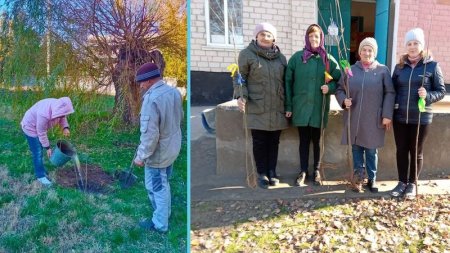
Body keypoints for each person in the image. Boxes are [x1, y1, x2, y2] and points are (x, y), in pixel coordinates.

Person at [390, 28, 445, 199]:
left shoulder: (433, 66)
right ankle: (402, 182)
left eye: (415, 43)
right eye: (409, 43)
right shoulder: (399, 67)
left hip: (421, 118)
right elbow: (392, 90)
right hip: (400, 117)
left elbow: (441, 91)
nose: (412, 47)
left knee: (416, 151)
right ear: (406, 46)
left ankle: (412, 184)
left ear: (421, 45)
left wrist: (427, 95)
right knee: (401, 150)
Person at [335, 37, 395, 193]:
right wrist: (343, 101)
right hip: (354, 117)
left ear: (374, 53)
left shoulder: (382, 70)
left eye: (370, 50)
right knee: (356, 149)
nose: (367, 53)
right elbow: (340, 89)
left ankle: (372, 178)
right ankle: (359, 177)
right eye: (364, 50)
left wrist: (387, 114)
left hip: (373, 118)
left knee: (371, 150)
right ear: (359, 52)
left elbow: (390, 92)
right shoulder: (350, 70)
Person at [285, 24, 341, 186]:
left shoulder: (328, 60)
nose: (314, 39)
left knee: (316, 140)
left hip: (319, 107)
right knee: (303, 140)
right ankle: (303, 171)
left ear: (321, 38)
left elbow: (340, 80)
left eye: (316, 36)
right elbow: (288, 82)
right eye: (311, 37)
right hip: (301, 107)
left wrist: (329, 88)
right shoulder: (297, 58)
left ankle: (316, 170)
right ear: (306, 38)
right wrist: (289, 106)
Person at [234, 22, 289, 189]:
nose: (265, 37)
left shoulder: (281, 58)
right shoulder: (247, 54)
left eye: (269, 35)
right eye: (262, 34)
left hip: (277, 106)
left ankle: (272, 171)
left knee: (274, 141)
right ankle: (262, 172)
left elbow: (286, 81)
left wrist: (288, 105)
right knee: (259, 141)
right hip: (257, 106)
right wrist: (241, 96)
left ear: (274, 38)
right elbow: (239, 78)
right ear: (256, 36)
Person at [133, 62, 182, 233]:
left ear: (148, 81)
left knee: (157, 187)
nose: (140, 86)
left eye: (141, 82)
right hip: (172, 147)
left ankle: (160, 224)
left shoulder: (151, 99)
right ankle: (165, 214)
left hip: (158, 153)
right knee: (163, 182)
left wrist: (141, 156)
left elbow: (150, 134)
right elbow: (179, 118)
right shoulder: (174, 92)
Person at [21, 97, 74, 187]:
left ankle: (40, 169)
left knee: (39, 149)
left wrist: (65, 127)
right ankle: (40, 176)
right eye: (60, 114)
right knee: (37, 152)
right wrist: (48, 148)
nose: (62, 116)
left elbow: (62, 116)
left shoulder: (58, 105)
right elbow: (41, 132)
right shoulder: (43, 114)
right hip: (30, 127)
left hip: (37, 126)